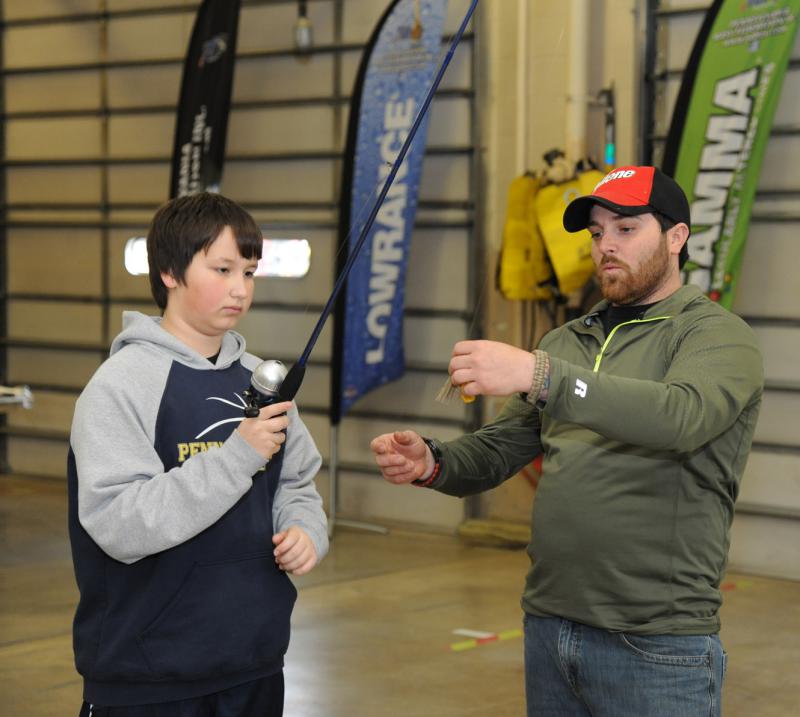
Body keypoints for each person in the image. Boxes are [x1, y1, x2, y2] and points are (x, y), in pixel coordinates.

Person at [371, 166, 764, 716]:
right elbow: (500, 449)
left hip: (656, 638)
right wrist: (432, 462)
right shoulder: (567, 340)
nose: (606, 245)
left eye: (626, 229)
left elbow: (681, 416)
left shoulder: (715, 336)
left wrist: (542, 375)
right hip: (551, 626)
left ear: (677, 238)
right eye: (598, 232)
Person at [67, 192, 328, 717]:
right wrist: (237, 457)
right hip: (149, 677)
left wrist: (305, 530)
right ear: (169, 271)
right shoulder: (121, 385)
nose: (240, 288)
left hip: (254, 665)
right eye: (223, 268)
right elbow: (119, 523)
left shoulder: (262, 380)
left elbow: (296, 483)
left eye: (250, 272)